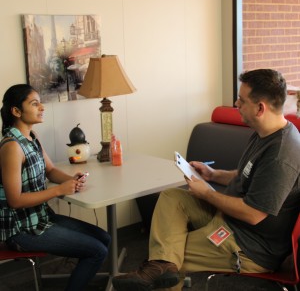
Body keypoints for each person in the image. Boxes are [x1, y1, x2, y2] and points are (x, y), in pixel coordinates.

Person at [112, 69, 300, 291]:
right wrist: (214, 175)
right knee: (173, 198)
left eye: (242, 100)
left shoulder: (281, 155)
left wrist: (207, 193)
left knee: (171, 256)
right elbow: (246, 174)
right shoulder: (263, 133)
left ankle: (160, 267)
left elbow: (253, 214)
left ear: (260, 108)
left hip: (249, 246)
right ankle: (160, 266)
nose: (236, 103)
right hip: (229, 218)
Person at [0, 84, 111, 291]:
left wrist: (70, 179)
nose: (42, 107)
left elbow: (50, 170)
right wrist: (59, 190)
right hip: (23, 230)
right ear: (16, 111)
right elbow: (14, 200)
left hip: (42, 218)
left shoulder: (31, 138)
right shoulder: (12, 147)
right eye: (34, 104)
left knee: (104, 238)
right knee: (97, 251)